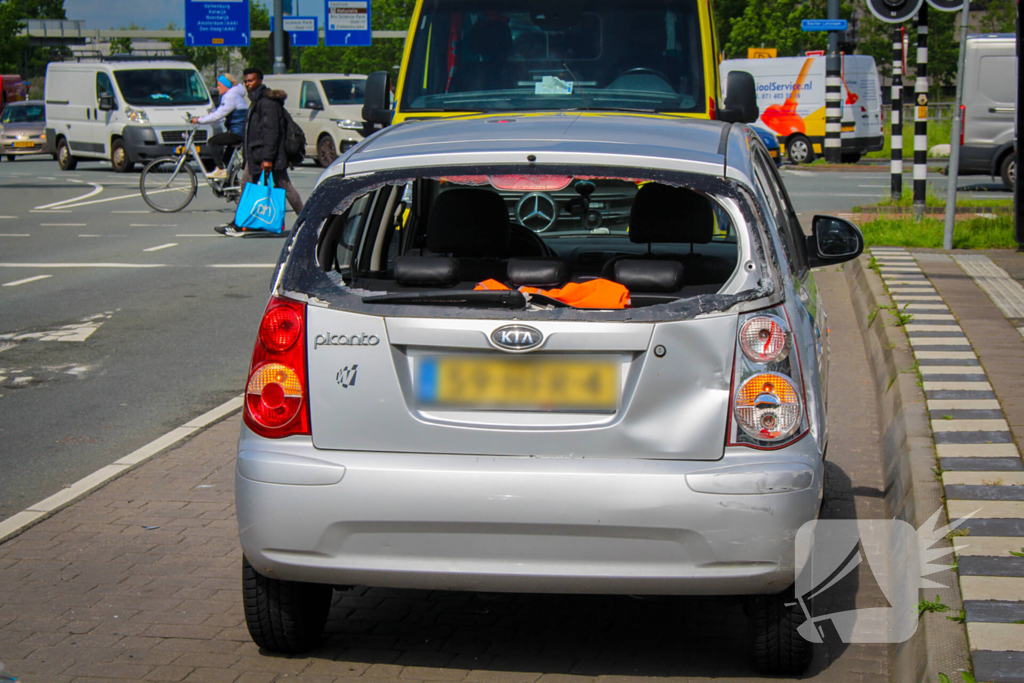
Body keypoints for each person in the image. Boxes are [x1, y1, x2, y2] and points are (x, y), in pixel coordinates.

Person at [215, 67, 304, 237]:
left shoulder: (267, 102)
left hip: (266, 155)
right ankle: (238, 223)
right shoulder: (257, 101)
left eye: (251, 81)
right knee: (247, 185)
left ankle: (309, 220)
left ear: (260, 81)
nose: (248, 84)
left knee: (284, 186)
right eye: (246, 81)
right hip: (257, 155)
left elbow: (272, 132)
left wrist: (267, 158)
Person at [191, 74, 247, 179]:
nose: (217, 88)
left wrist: (199, 120)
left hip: (237, 133)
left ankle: (220, 169)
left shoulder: (230, 96)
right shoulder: (234, 94)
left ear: (226, 85)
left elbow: (218, 115)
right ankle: (229, 182)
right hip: (239, 132)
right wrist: (205, 118)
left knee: (213, 142)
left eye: (219, 85)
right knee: (227, 162)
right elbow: (222, 115)